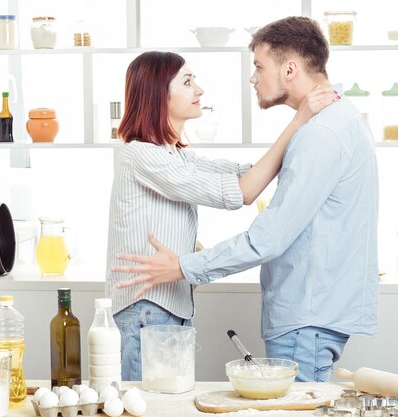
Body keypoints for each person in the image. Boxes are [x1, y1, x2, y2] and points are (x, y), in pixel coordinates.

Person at [112, 17, 380, 382]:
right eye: (188, 82)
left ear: (289, 69)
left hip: (306, 316)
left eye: (258, 66)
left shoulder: (321, 133)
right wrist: (298, 122)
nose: (252, 78)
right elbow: (241, 184)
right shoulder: (145, 153)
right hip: (158, 304)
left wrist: (186, 265)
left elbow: (255, 213)